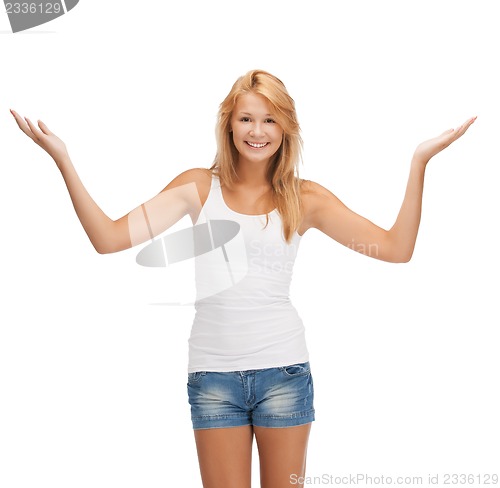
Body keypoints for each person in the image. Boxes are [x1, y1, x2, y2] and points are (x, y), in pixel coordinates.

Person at [10, 69, 476, 488]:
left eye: (270, 120)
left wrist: (419, 163)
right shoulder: (198, 187)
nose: (257, 131)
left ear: (286, 129)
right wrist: (63, 160)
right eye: (247, 119)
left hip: (284, 373)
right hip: (213, 377)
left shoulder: (305, 198)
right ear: (229, 124)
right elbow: (108, 238)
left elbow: (397, 249)